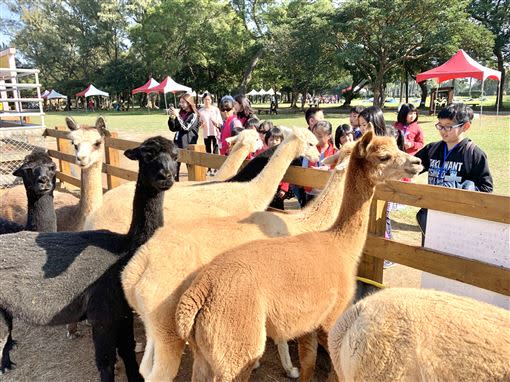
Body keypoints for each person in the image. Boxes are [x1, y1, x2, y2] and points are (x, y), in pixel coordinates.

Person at [415, 103, 493, 243]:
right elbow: (411, 166)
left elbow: (486, 188)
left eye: (449, 126)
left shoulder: (474, 154)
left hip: (458, 221)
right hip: (431, 214)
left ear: (466, 126)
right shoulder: (432, 149)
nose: (443, 130)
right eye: (440, 125)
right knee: (428, 256)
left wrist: (464, 188)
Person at [301, 120, 337, 207]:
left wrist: (327, 169)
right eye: (314, 135)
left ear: (329, 136)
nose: (316, 139)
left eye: (320, 136)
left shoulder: (335, 153)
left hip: (327, 193)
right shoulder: (309, 150)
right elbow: (303, 167)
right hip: (310, 193)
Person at [167, 93, 200, 181]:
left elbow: (186, 128)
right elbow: (173, 128)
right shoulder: (181, 114)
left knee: (191, 170)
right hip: (177, 144)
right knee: (174, 169)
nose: (180, 104)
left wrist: (177, 116)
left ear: (189, 103)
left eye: (183, 102)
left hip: (188, 146)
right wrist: (172, 117)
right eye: (180, 102)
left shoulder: (194, 115)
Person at [265, 127, 291, 210]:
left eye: (277, 140)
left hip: (278, 189)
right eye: (271, 139)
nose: (274, 142)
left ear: (281, 142)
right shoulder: (263, 155)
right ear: (267, 140)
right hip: (265, 187)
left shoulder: (283, 157)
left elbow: (287, 173)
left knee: (277, 210)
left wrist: (284, 188)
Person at [198, 93, 223, 175]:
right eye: (205, 99)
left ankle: (216, 169)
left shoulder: (215, 110)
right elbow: (199, 122)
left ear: (211, 100)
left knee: (216, 150)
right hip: (206, 132)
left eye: (208, 99)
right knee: (208, 150)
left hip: (215, 132)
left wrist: (216, 123)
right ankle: (209, 169)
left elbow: (220, 122)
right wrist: (201, 125)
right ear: (203, 100)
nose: (207, 101)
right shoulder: (200, 111)